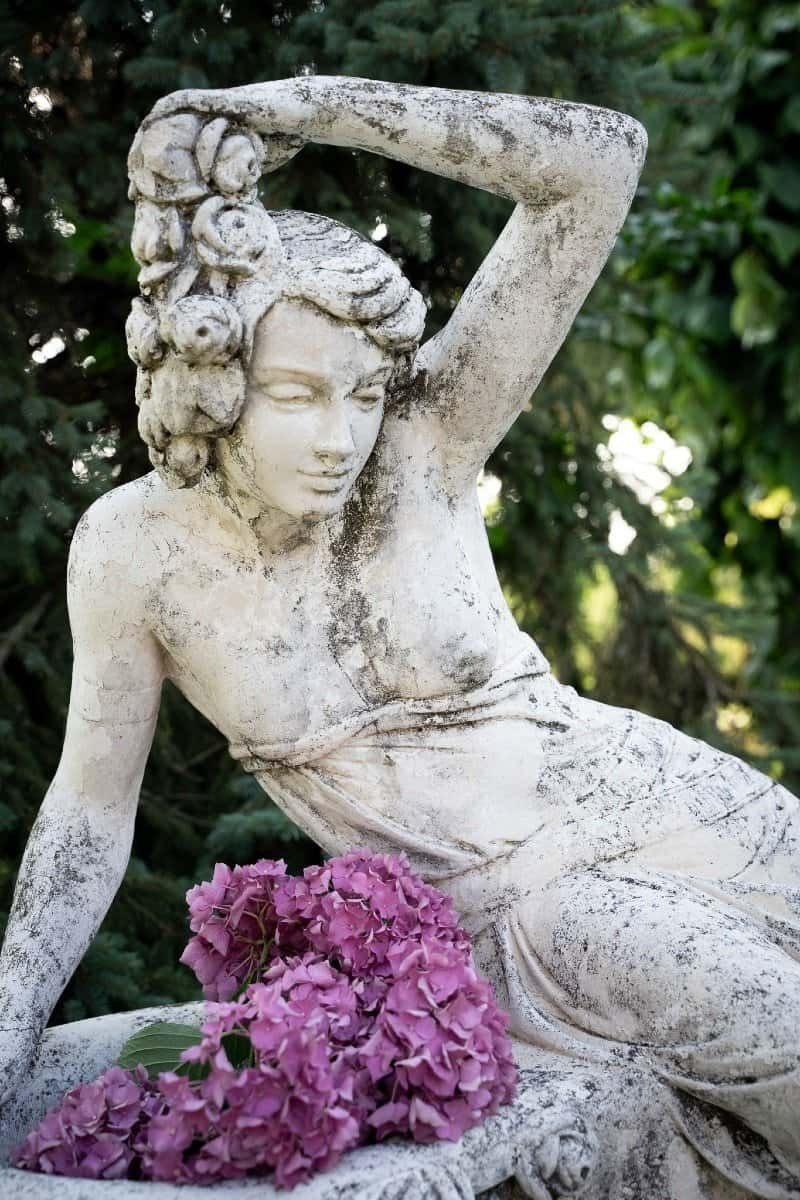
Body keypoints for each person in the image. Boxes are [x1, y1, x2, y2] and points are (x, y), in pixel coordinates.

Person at [1, 77, 799, 1194]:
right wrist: (9, 1024)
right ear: (213, 381)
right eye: (296, 395)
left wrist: (306, 106)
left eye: (365, 392)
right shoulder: (137, 552)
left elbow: (598, 162)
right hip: (530, 919)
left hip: (663, 803)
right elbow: (91, 810)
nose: (342, 437)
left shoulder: (423, 442)